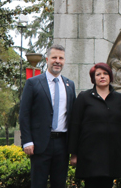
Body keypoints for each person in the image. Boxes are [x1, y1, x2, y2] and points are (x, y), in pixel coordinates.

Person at [19, 45, 76, 188]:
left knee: (59, 184)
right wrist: (27, 141)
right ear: (47, 59)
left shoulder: (70, 85)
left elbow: (73, 117)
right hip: (39, 144)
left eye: (61, 58)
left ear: (64, 61)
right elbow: (24, 114)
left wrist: (74, 148)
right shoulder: (33, 83)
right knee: (38, 184)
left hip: (63, 144)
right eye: (54, 57)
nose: (57, 61)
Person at [69, 63, 121, 188]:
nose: (102, 77)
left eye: (105, 73)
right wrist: (74, 153)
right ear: (93, 78)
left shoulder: (120, 99)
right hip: (90, 154)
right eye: (98, 74)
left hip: (111, 154)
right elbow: (75, 125)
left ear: (110, 77)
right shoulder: (84, 97)